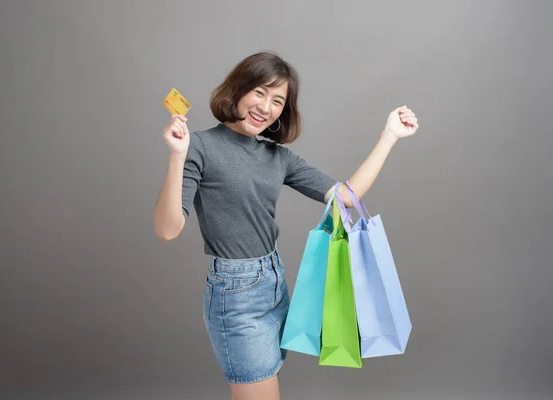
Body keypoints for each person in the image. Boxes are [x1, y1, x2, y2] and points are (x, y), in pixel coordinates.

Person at [154, 51, 419, 400]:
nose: (267, 106)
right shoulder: (199, 146)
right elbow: (168, 228)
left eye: (278, 100)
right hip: (236, 294)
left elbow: (347, 197)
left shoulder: (278, 158)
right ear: (238, 90)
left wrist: (389, 136)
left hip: (275, 284)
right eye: (260, 92)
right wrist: (177, 155)